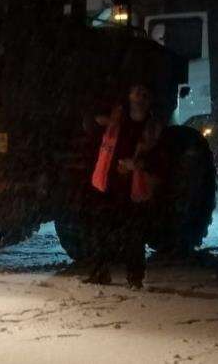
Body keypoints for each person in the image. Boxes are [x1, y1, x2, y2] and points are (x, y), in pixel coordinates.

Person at [83, 83, 163, 289]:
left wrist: (137, 164)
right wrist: (97, 119)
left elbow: (160, 159)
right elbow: (90, 124)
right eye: (137, 93)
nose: (140, 98)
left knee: (133, 234)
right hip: (108, 185)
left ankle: (135, 277)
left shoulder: (152, 128)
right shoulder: (117, 119)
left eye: (144, 94)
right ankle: (99, 272)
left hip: (134, 190)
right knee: (100, 230)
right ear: (129, 96)